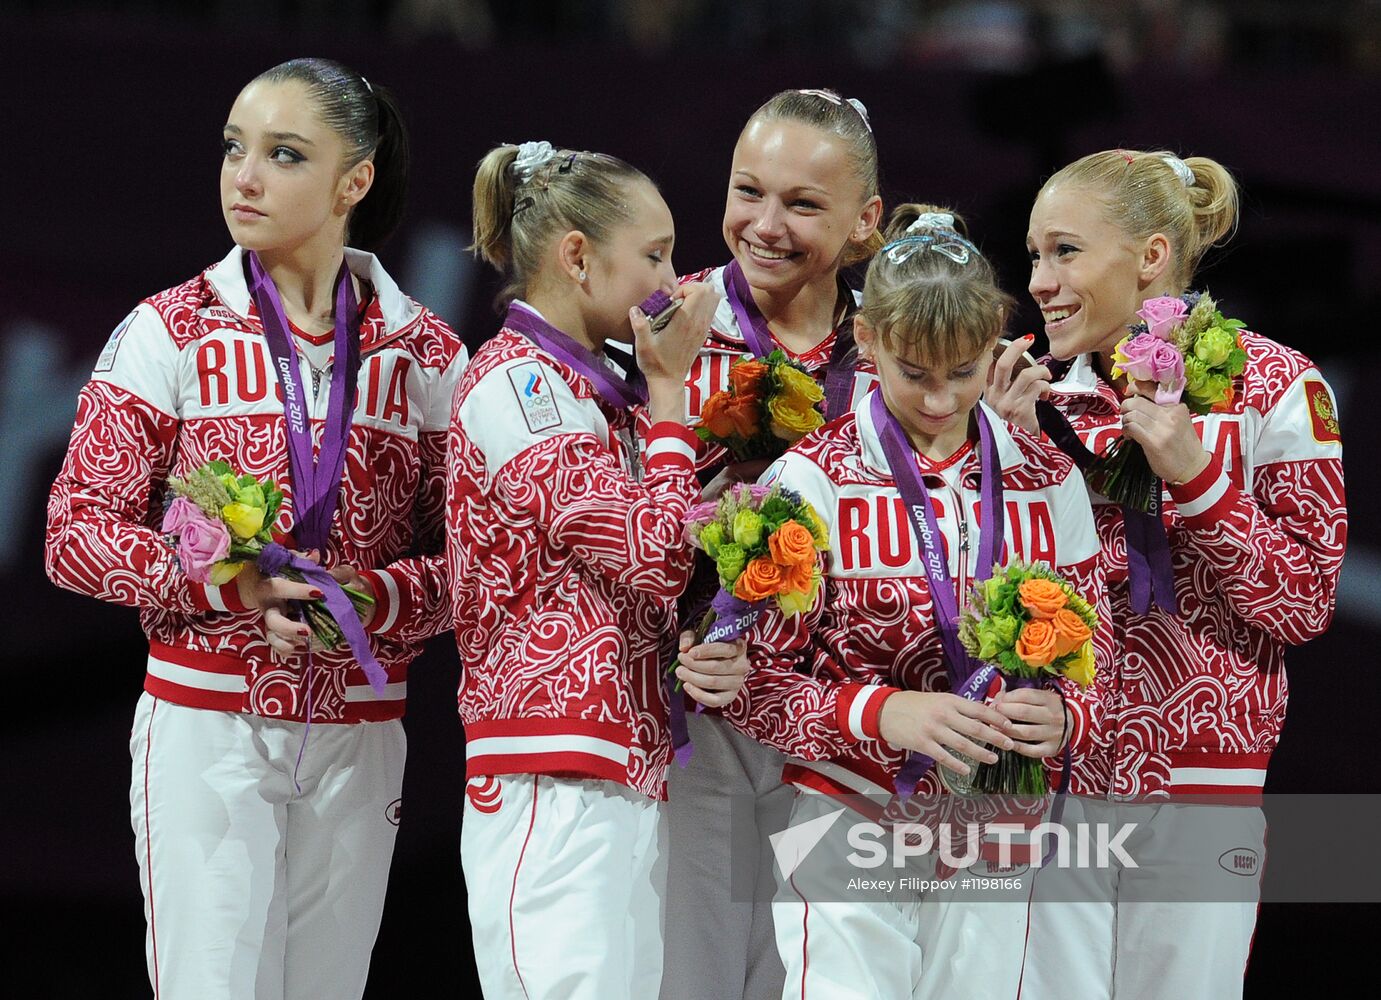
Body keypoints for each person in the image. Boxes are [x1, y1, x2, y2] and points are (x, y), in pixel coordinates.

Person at [44, 58, 466, 999]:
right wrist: (227, 584)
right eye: (236, 148)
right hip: (207, 725)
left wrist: (379, 596)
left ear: (353, 181)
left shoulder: (428, 351)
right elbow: (74, 534)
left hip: (360, 729)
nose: (245, 175)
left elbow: (480, 561)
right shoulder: (170, 328)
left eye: (283, 154)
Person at [724, 204, 1109, 999]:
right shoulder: (809, 479)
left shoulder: (1048, 480)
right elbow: (751, 686)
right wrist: (882, 714)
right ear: (867, 342)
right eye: (914, 373)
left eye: (963, 372)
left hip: (995, 819)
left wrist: (1065, 713)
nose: (939, 401)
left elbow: (1097, 666)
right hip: (845, 808)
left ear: (994, 346)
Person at [988, 148, 1347, 998]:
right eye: (1035, 253)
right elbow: (989, 596)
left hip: (1201, 786)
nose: (1039, 279)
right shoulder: (1028, 399)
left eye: (1065, 251)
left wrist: (1197, 477)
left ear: (1150, 256)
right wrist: (1007, 460)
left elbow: (1303, 602)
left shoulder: (1274, 385)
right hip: (1057, 780)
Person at [449, 139, 750, 1000]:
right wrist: (670, 396)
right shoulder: (520, 388)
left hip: (618, 766)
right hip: (550, 774)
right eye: (653, 254)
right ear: (577, 257)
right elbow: (652, 555)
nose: (672, 279)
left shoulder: (588, 389)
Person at [662, 87, 884, 1000]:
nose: (764, 224)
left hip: (838, 725)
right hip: (694, 712)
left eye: (802, 204)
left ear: (866, 222)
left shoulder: (896, 351)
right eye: (747, 191)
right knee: (693, 979)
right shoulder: (660, 327)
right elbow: (596, 522)